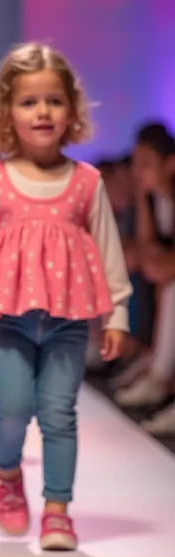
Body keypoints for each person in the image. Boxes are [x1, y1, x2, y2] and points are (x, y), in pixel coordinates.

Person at [0, 43, 131, 552]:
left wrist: (117, 311)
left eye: (54, 100)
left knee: (59, 412)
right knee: (11, 408)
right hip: (8, 319)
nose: (43, 112)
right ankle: (7, 473)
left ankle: (57, 509)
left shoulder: (86, 182)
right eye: (29, 102)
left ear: (71, 109)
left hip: (68, 321)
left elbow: (109, 250)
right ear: (8, 111)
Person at [115, 123, 175, 433]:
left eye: (146, 164)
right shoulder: (157, 199)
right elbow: (146, 246)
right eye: (136, 163)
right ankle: (150, 362)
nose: (138, 171)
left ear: (170, 163)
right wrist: (142, 197)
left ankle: (159, 373)